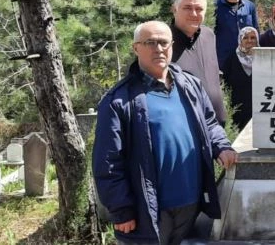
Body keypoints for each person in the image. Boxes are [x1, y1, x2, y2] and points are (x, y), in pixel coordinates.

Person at [93, 21, 239, 245]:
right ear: (136, 48)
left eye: (164, 42)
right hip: (148, 212)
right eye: (150, 43)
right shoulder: (119, 101)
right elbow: (108, 162)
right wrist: (121, 210)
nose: (159, 49)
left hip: (192, 203)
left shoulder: (190, 85)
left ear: (172, 45)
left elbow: (209, 123)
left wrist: (222, 146)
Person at [169, 0, 227, 127]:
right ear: (174, 9)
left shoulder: (209, 36)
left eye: (199, 9)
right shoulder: (163, 43)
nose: (194, 14)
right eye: (187, 8)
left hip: (216, 129)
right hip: (185, 129)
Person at [214, 0, 259, 68]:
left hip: (247, 63)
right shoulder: (215, 7)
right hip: (223, 64)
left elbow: (256, 33)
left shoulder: (250, 6)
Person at [222, 26, 258, 129]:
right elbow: (225, 85)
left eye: (253, 37)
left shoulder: (263, 58)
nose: (249, 40)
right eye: (245, 38)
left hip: (258, 109)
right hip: (237, 111)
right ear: (240, 40)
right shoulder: (231, 59)